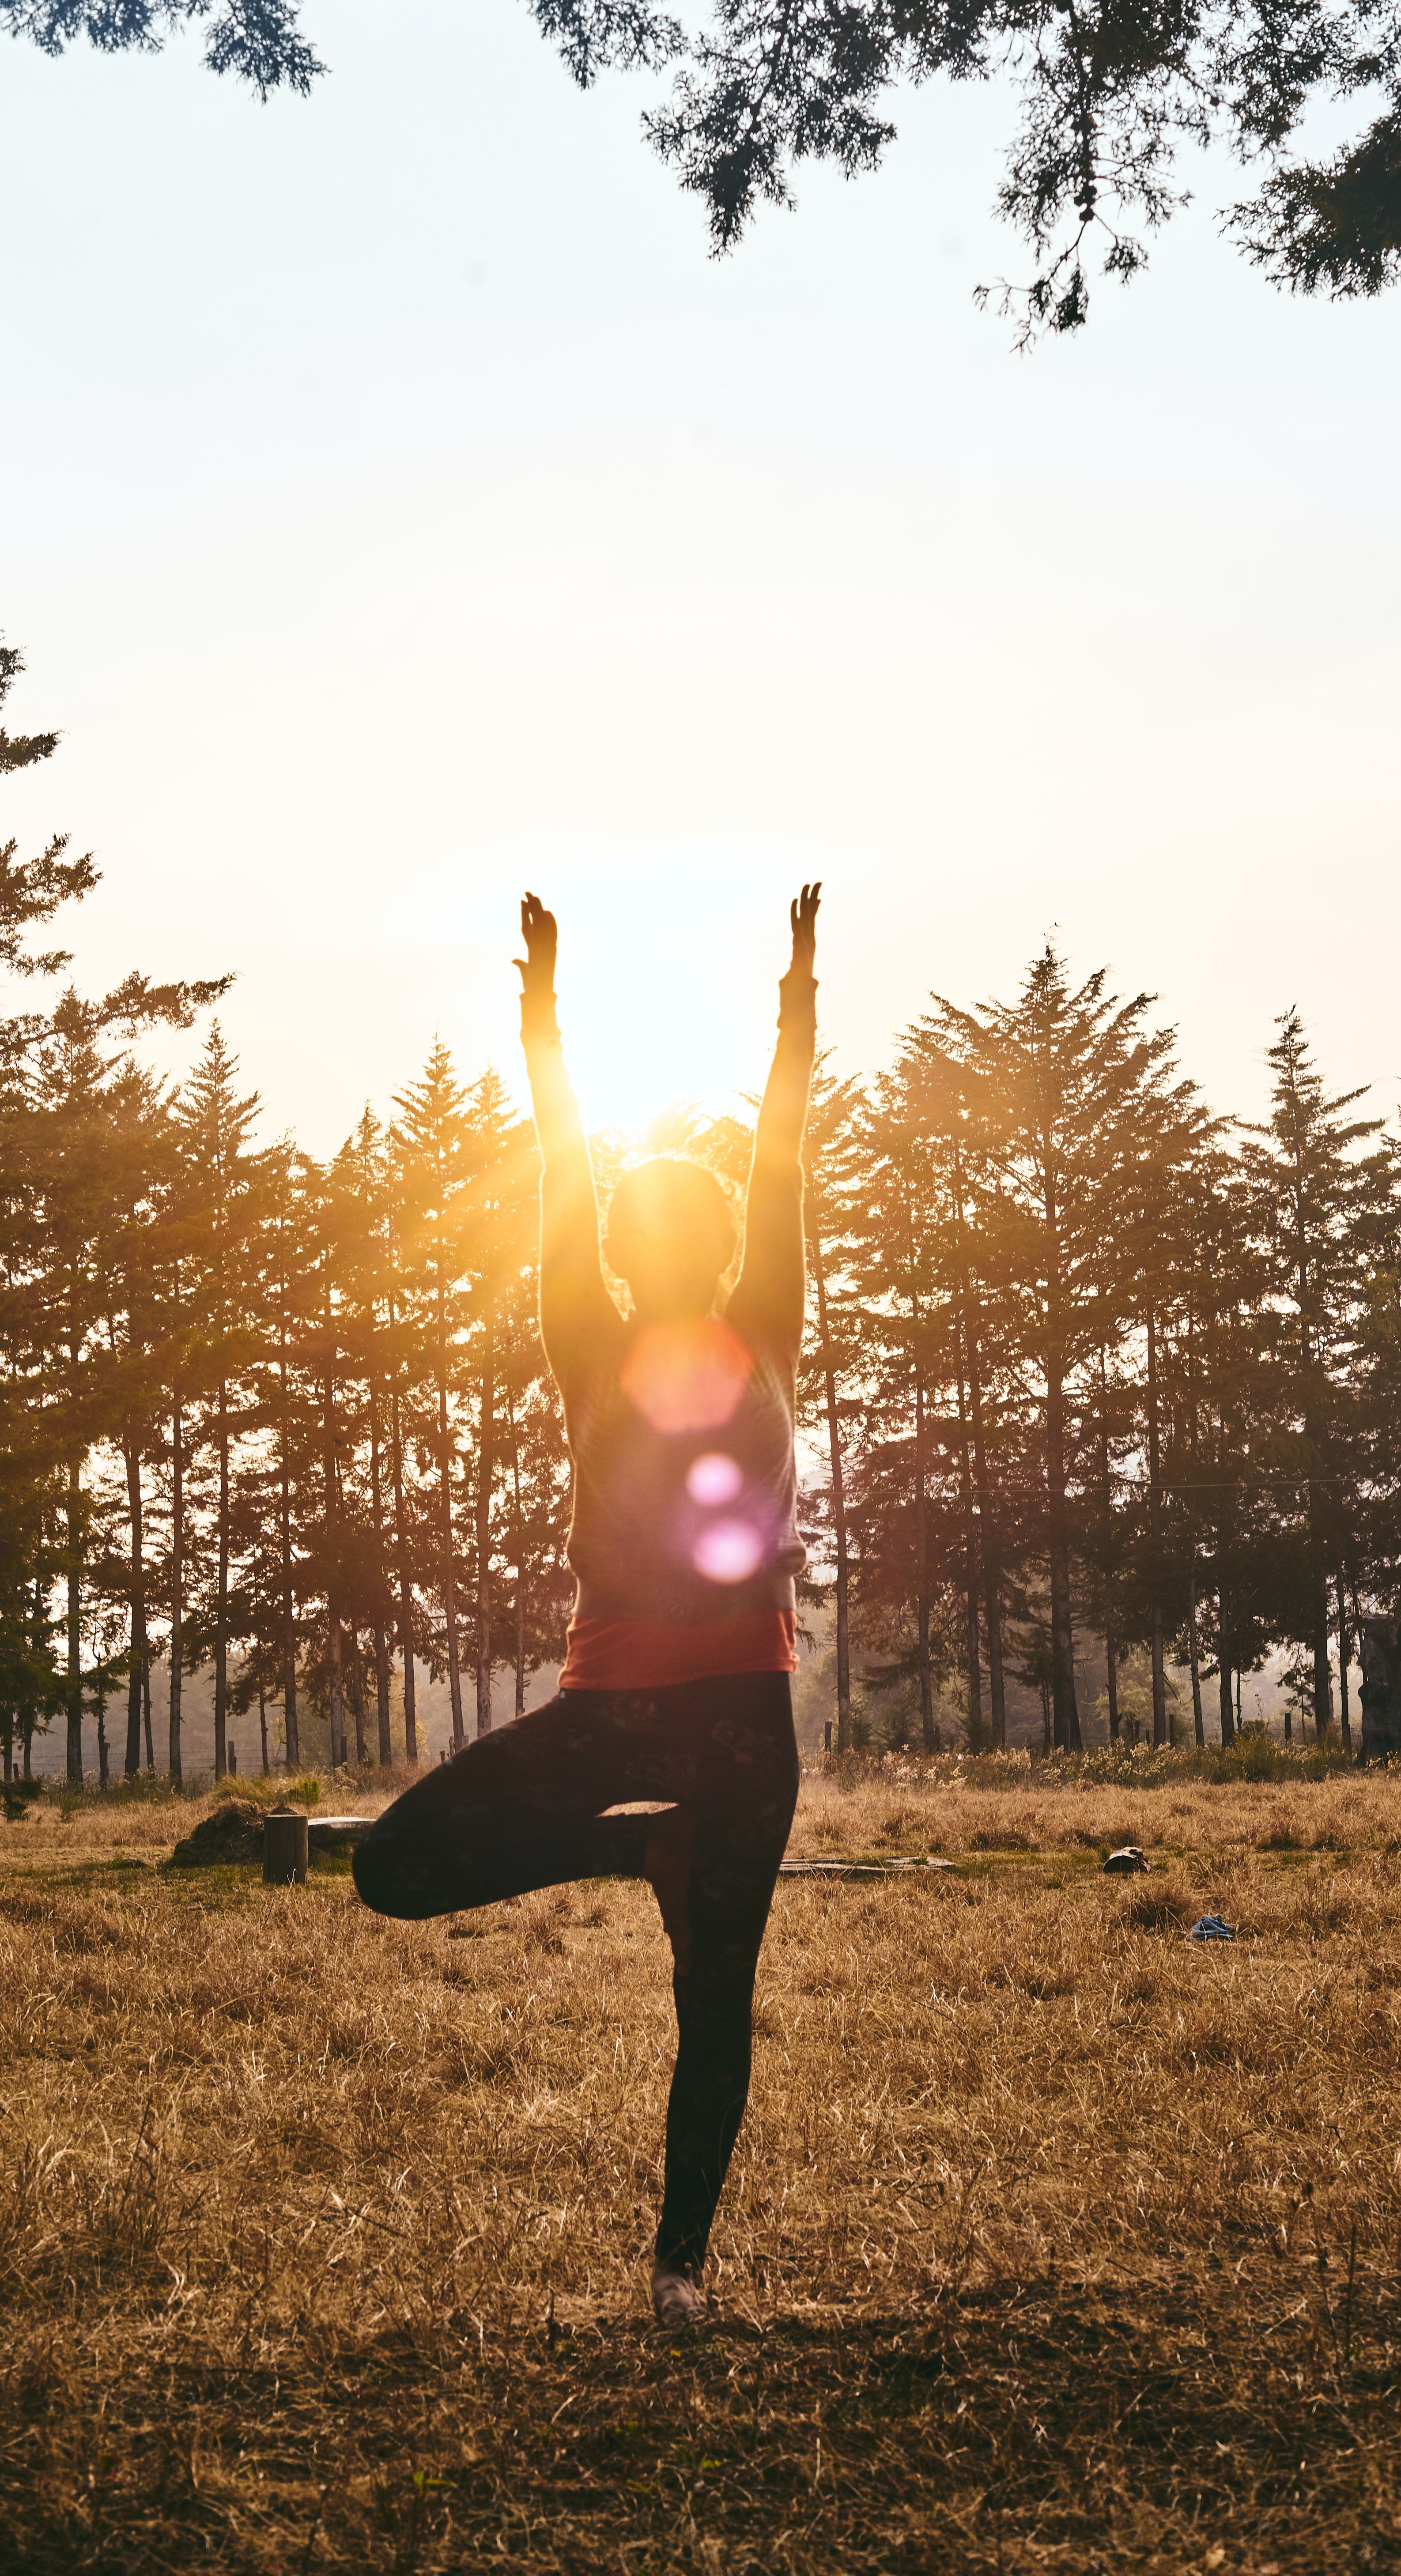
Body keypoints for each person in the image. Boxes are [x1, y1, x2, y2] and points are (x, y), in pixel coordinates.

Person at [353, 881, 821, 2327]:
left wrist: (543, 1013)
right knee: (713, 2010)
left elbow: (593, 1167)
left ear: (626, 1249)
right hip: (717, 1726)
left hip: (634, 1719)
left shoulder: (625, 1329)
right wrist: (795, 991)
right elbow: (776, 1166)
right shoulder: (730, 1326)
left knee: (394, 1869)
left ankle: (634, 1864)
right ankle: (678, 2270)